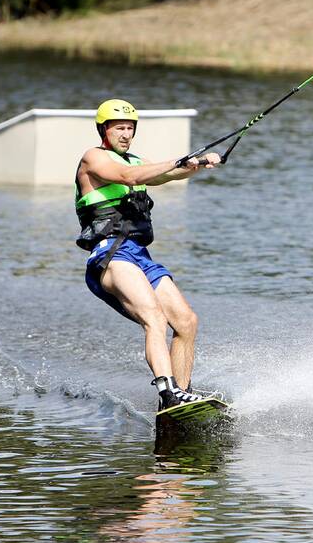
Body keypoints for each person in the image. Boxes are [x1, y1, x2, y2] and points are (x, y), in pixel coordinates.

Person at [74, 99, 221, 410]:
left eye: (130, 128)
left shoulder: (137, 160)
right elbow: (132, 177)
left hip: (139, 256)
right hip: (110, 256)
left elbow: (163, 176)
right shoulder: (94, 159)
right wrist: (176, 161)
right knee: (154, 317)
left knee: (186, 321)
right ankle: (167, 394)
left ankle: (182, 395)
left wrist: (196, 166)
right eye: (119, 128)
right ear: (104, 130)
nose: (125, 134)